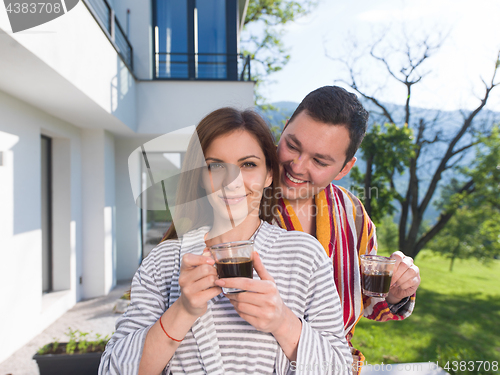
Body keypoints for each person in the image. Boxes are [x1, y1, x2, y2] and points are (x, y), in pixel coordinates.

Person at [99, 107, 353, 375]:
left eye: (248, 165)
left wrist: (282, 322)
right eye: (216, 166)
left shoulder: (306, 256)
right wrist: (183, 310)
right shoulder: (164, 261)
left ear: (269, 174)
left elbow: (340, 368)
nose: (231, 182)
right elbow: (113, 370)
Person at [273, 86, 421, 371]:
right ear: (283, 129)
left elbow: (366, 302)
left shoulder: (354, 215)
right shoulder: (242, 199)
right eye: (292, 145)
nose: (298, 166)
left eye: (319, 161)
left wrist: (395, 292)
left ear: (344, 169)